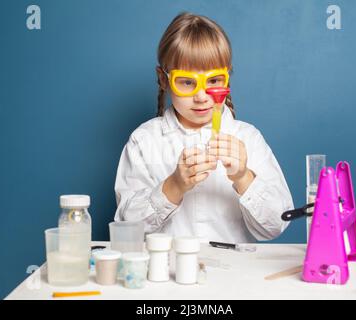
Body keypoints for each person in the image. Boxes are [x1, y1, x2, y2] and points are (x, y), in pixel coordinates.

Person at [114, 12, 294, 243]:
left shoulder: (248, 138)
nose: (201, 96)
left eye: (213, 81)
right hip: (166, 274)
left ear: (226, 78)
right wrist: (173, 186)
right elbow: (127, 228)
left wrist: (243, 177)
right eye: (187, 82)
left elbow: (277, 224)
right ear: (163, 79)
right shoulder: (144, 140)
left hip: (234, 274)